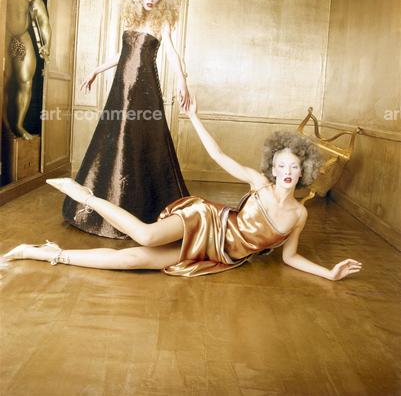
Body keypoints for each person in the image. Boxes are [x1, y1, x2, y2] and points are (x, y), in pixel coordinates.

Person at [4, 98, 362, 281]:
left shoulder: (299, 214)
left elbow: (290, 258)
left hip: (217, 255)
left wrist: (329, 272)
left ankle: (40, 253)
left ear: (304, 171)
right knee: (145, 237)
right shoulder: (259, 183)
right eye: (281, 165)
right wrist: (194, 117)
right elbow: (218, 155)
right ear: (273, 166)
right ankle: (86, 196)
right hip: (206, 221)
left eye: (293, 167)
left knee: (132, 261)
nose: (286, 172)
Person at [62, 0, 190, 238]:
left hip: (144, 90)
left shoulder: (161, 23)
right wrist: (96, 70)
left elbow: (171, 52)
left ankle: (141, 207)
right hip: (121, 88)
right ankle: (109, 200)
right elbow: (122, 55)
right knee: (115, 136)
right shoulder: (132, 18)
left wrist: (182, 81)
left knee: (138, 139)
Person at [3, 0, 51, 140]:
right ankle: (5, 125)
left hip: (21, 36)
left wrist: (47, 44)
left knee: (25, 81)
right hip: (4, 34)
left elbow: (43, 21)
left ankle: (18, 125)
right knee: (4, 81)